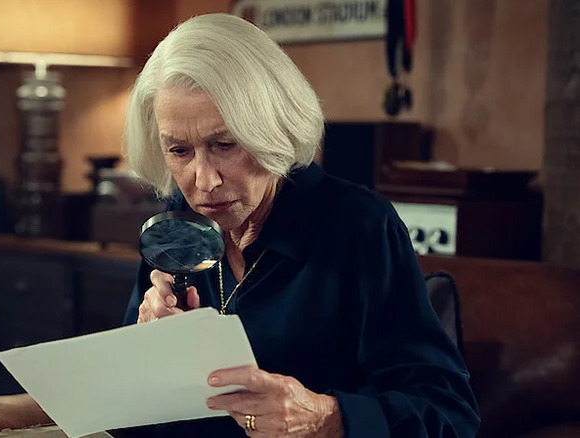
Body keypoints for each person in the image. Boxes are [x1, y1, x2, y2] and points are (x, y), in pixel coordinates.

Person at [121, 13, 480, 438]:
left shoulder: (359, 226)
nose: (204, 181)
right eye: (179, 151)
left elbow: (450, 415)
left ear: (273, 129)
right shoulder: (176, 226)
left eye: (225, 144)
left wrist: (327, 418)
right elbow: (128, 412)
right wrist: (145, 351)